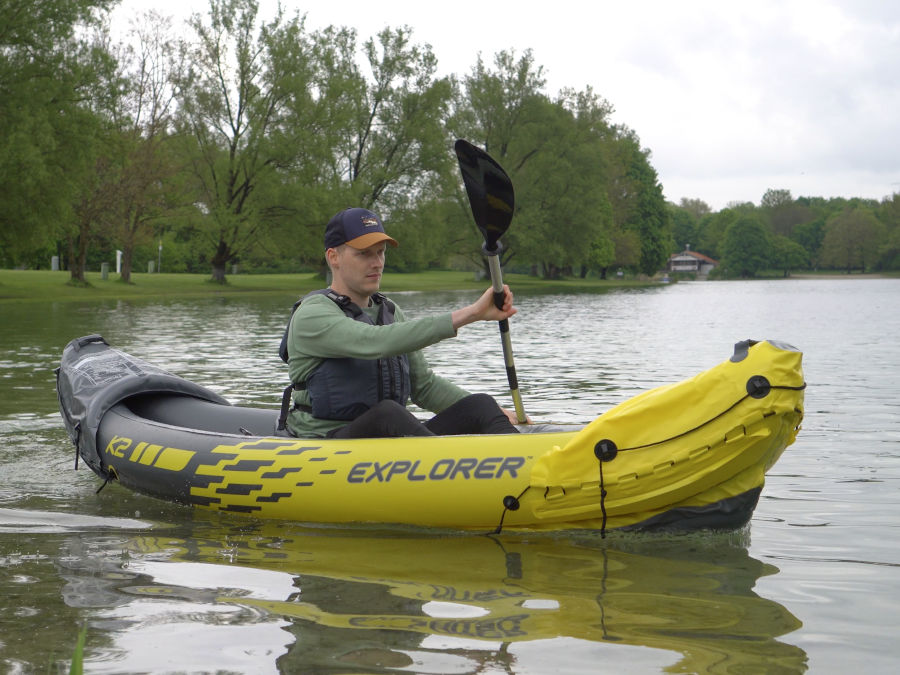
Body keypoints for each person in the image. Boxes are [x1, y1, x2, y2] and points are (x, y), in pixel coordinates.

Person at [282, 206, 523, 439]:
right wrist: (471, 313)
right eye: (364, 254)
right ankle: (450, 465)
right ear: (333, 257)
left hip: (387, 435)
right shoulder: (312, 315)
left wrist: (494, 414)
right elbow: (375, 341)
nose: (377, 263)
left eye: (380, 252)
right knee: (389, 413)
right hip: (326, 440)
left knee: (481, 404)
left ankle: (521, 457)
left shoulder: (389, 311)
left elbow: (424, 386)